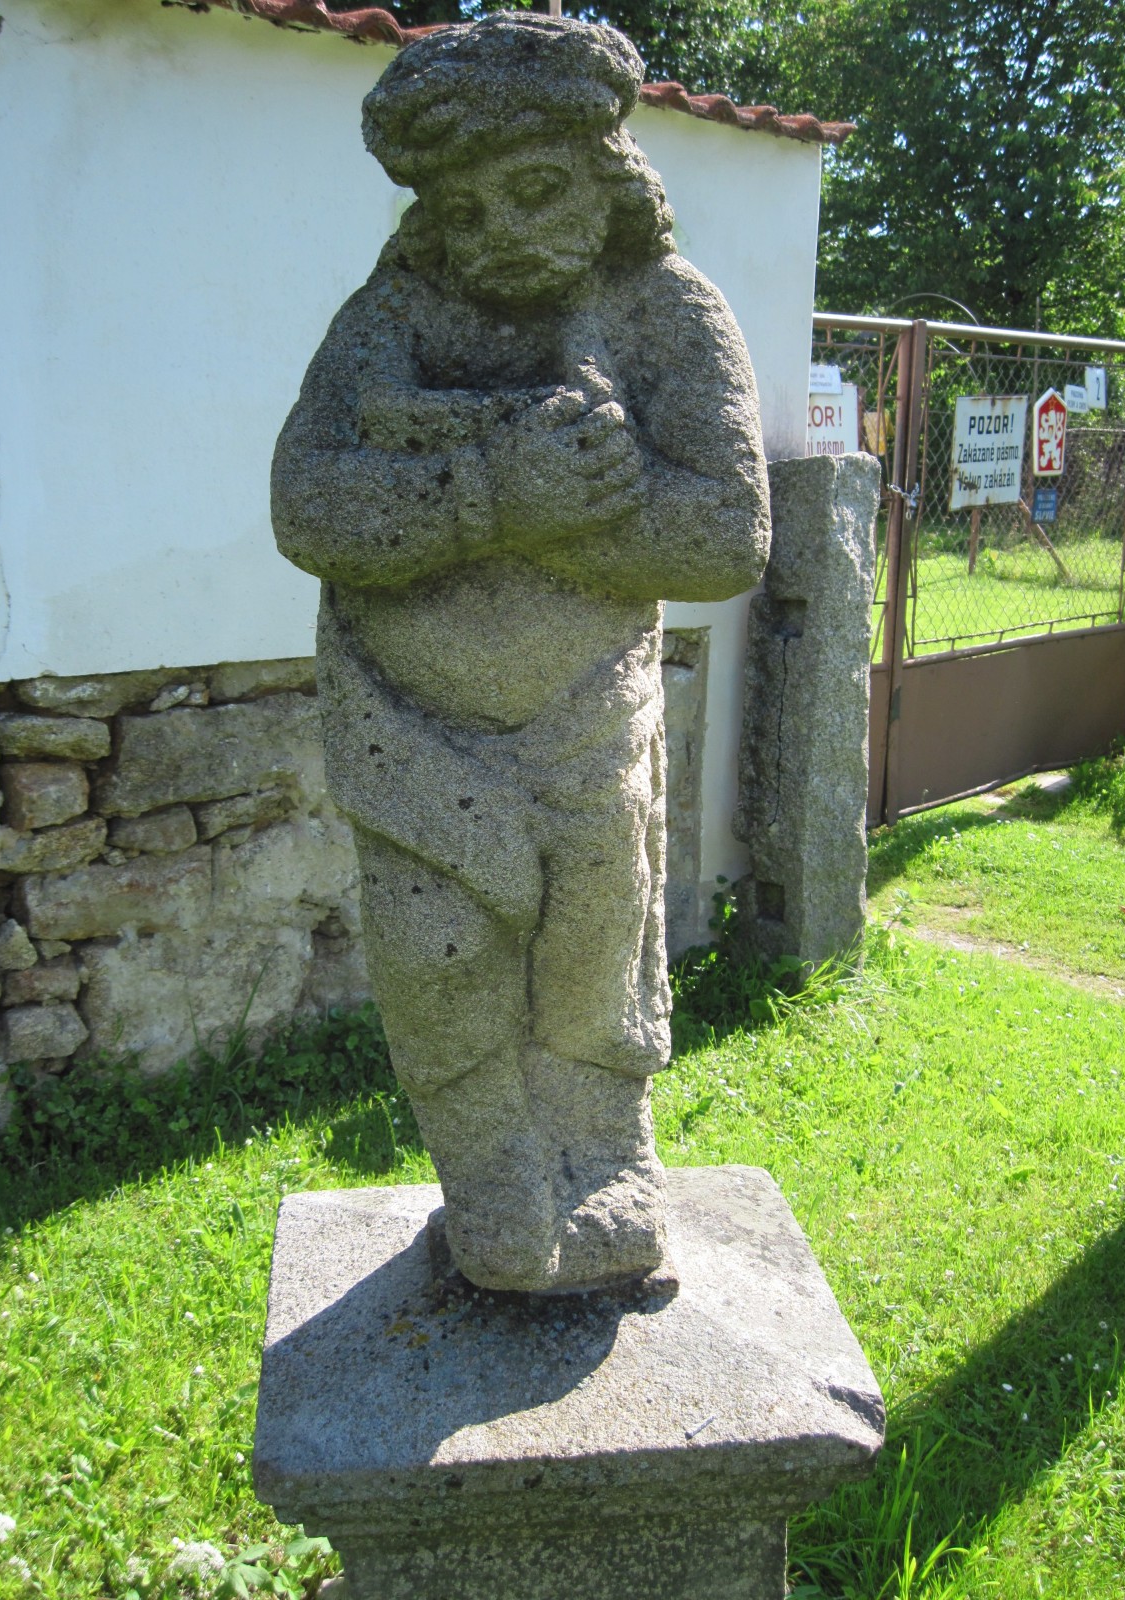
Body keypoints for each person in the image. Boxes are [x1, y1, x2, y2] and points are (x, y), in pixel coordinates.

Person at [271, 13, 770, 1291]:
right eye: (464, 208)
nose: (500, 231)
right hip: (412, 720)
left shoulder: (666, 312)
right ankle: (491, 1172)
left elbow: (729, 533)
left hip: (588, 719)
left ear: (607, 175)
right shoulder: (391, 317)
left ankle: (607, 1159)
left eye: (536, 189)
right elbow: (307, 502)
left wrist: (585, 512)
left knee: (596, 947)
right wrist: (490, 498)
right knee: (436, 948)